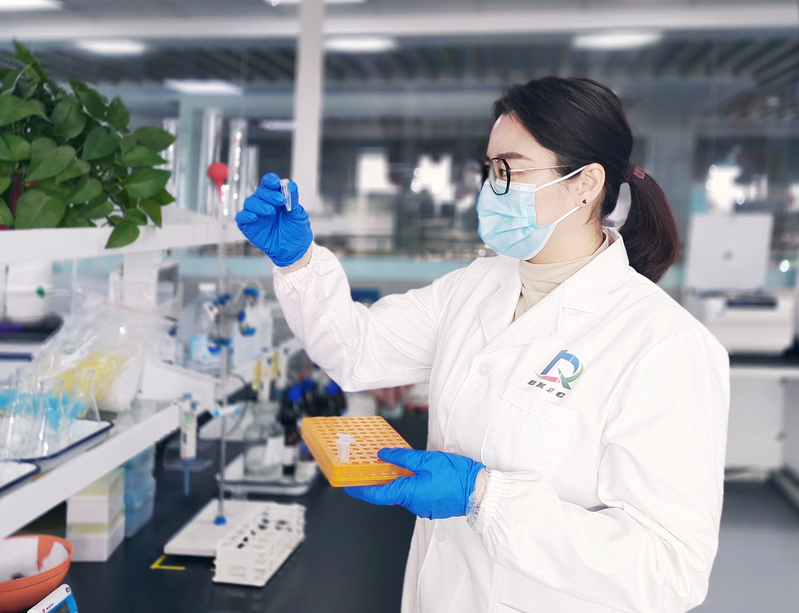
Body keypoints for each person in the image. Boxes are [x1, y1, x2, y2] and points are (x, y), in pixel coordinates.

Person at [235, 77, 730, 613]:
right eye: (492, 169)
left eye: (511, 170)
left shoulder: (664, 344)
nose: (494, 189)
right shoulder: (477, 285)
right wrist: (299, 262)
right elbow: (358, 351)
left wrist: (484, 498)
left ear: (586, 184)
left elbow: (670, 570)